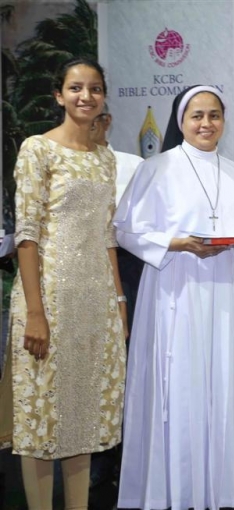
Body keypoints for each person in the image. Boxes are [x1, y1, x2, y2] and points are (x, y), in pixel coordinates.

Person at [114, 85, 234, 510]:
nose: (206, 123)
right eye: (196, 115)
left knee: (220, 383)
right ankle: (174, 489)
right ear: (181, 121)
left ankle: (217, 489)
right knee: (179, 384)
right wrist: (177, 243)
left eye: (214, 115)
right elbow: (125, 230)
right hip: (174, 290)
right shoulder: (156, 168)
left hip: (222, 294)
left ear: (224, 120)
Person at [0, 57, 127, 510]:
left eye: (94, 88)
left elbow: (107, 235)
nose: (85, 96)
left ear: (103, 96)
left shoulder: (105, 158)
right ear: (59, 95)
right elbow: (27, 234)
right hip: (48, 299)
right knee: (39, 417)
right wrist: (35, 313)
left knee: (82, 416)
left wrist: (119, 301)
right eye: (76, 88)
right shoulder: (38, 149)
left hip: (95, 301)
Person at [89, 104, 144, 329]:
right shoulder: (61, 166)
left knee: (127, 335)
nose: (85, 125)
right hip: (79, 264)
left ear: (107, 120)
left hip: (126, 264)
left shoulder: (135, 165)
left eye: (93, 118)